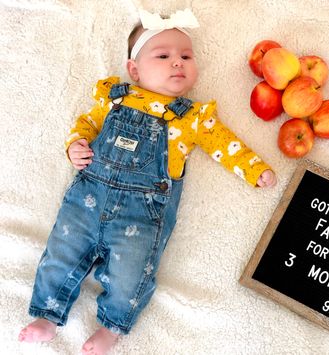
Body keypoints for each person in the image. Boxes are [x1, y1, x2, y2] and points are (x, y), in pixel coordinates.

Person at [18, 8, 276, 355]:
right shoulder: (112, 98)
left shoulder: (192, 117)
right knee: (59, 256)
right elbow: (87, 125)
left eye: (186, 56)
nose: (177, 63)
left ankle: (111, 328)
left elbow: (226, 146)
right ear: (134, 69)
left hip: (141, 218)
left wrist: (254, 168)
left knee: (132, 275)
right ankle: (47, 316)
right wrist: (75, 145)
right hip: (85, 202)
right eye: (164, 55)